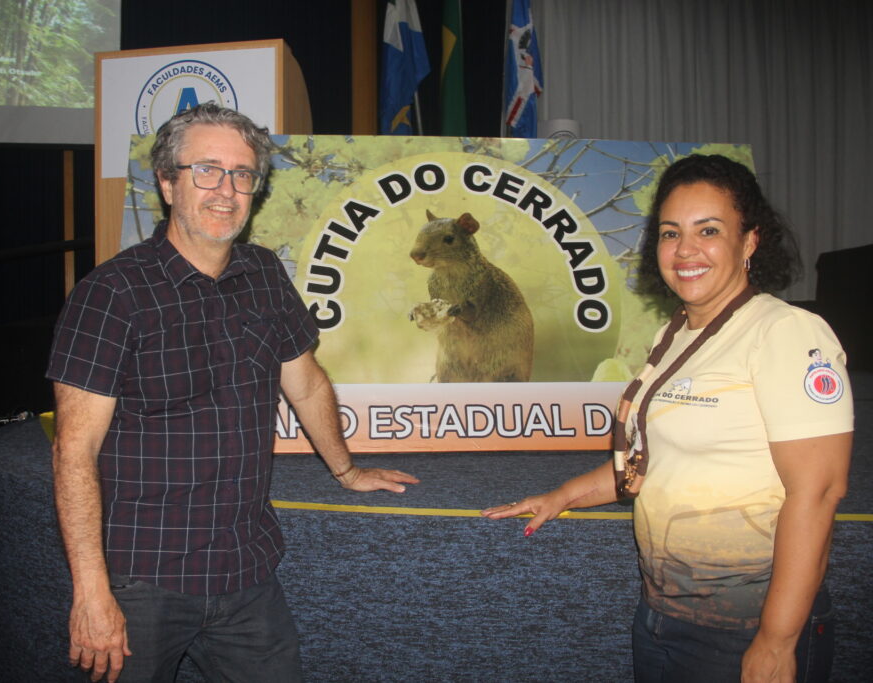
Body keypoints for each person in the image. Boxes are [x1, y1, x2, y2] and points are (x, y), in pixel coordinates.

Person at [47, 103, 419, 683]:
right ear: (168, 184)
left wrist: (346, 470)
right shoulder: (111, 295)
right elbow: (73, 451)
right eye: (207, 170)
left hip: (246, 573)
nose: (227, 190)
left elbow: (307, 380)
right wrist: (90, 591)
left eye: (243, 175)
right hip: (141, 579)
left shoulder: (265, 273)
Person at [483, 154, 853, 682]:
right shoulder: (673, 334)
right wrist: (561, 496)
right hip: (662, 615)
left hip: (748, 626)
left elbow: (819, 492)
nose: (685, 250)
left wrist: (776, 640)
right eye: (670, 232)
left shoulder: (788, 333)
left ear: (749, 241)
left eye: (708, 230)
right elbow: (652, 462)